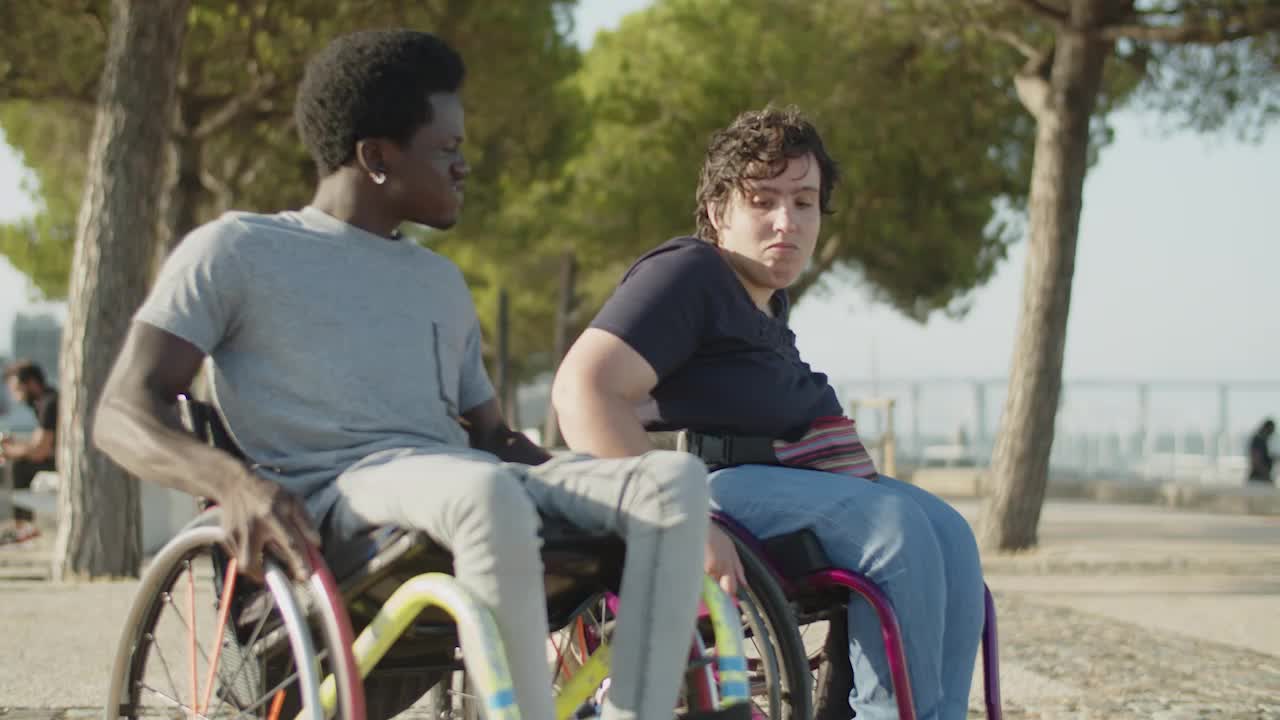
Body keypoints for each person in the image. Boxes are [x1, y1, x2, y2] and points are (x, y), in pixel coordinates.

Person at [93, 30, 712, 720]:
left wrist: (582, 491)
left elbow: (496, 441)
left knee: (670, 481)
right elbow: (120, 411)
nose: (463, 167)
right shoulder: (238, 251)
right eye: (447, 150)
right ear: (377, 158)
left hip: (456, 484)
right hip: (337, 500)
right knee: (480, 491)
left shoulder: (439, 281)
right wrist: (231, 484)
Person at [552, 106, 985, 720]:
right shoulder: (688, 272)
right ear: (717, 211)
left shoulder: (766, 302)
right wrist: (680, 516)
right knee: (894, 529)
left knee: (950, 533)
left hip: (778, 482)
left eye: (805, 203)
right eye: (763, 200)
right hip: (712, 489)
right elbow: (581, 389)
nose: (787, 221)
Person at [1, 360, 58, 543]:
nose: (16, 396)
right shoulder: (42, 403)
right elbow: (36, 443)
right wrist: (13, 446)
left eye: (17, 388)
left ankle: (23, 526)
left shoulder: (50, 403)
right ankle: (19, 524)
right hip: (54, 457)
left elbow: (39, 451)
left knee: (17, 467)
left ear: (32, 383)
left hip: (60, 462)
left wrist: (7, 450)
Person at [1248, 418, 1275, 485]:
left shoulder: (1262, 440)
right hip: (1257, 479)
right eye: (1271, 430)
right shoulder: (1258, 440)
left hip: (1259, 478)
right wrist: (1266, 475)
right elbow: (1256, 461)